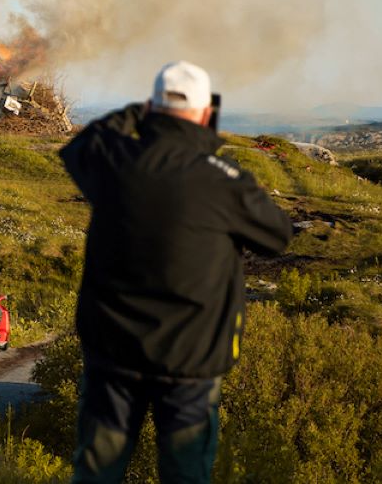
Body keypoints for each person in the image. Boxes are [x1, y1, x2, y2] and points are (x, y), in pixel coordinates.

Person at [59, 61, 292, 483]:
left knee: (97, 471)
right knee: (186, 473)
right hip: (192, 361)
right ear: (206, 114)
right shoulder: (224, 181)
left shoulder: (115, 162)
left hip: (114, 354)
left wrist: (131, 114)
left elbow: (80, 146)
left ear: (152, 108)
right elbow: (277, 236)